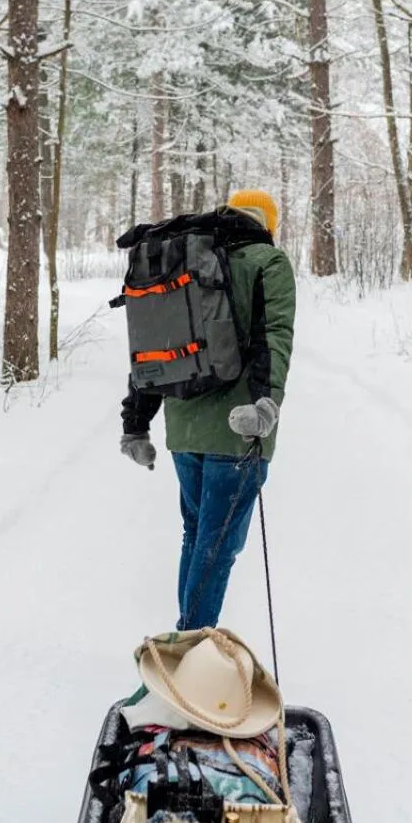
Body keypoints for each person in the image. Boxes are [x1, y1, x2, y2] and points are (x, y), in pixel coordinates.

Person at [119, 189, 296, 631]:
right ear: (267, 224)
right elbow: (275, 337)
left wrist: (136, 424)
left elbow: (153, 343)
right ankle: (188, 650)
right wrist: (266, 403)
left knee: (197, 537)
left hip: (182, 428)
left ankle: (187, 642)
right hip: (238, 430)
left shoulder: (187, 257)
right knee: (216, 547)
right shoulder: (268, 262)